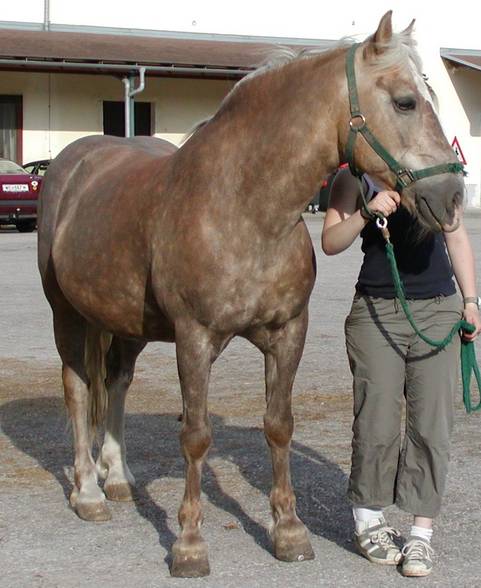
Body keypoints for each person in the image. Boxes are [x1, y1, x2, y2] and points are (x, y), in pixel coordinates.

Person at [321, 167, 481, 577]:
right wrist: (366, 212)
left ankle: (420, 535)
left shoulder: (437, 176)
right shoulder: (352, 179)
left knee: (431, 425)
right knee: (376, 420)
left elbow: (456, 235)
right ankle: (369, 521)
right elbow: (330, 241)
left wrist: (470, 301)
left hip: (438, 310)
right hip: (376, 312)